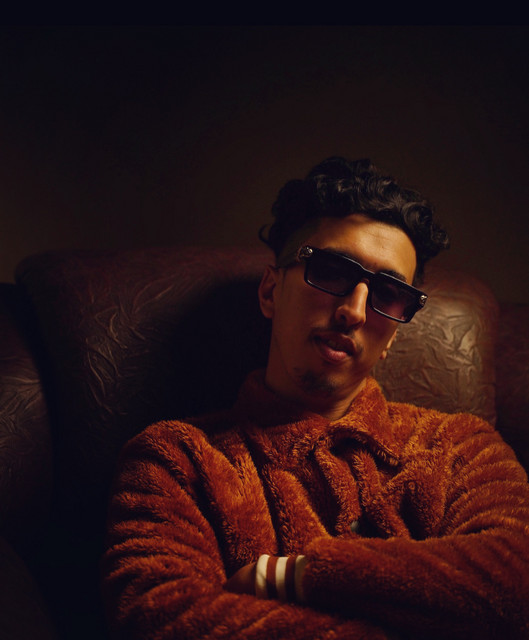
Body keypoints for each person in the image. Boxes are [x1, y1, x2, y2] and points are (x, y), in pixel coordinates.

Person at [101, 157, 529, 639]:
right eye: (330, 271)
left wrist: (294, 576)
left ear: (394, 335)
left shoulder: (460, 447)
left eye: (389, 294)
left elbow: (516, 579)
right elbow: (159, 616)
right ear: (271, 291)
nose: (354, 311)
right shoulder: (176, 459)